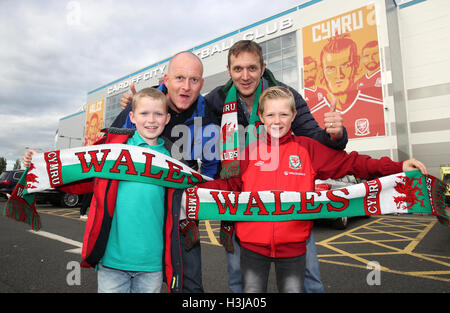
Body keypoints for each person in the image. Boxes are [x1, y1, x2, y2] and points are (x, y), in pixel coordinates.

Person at [118, 41, 347, 293]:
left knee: (309, 278)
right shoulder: (215, 101)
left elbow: (316, 139)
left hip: (289, 204)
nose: (245, 76)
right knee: (240, 279)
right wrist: (139, 102)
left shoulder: (285, 96)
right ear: (229, 70)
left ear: (263, 68)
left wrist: (335, 135)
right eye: (238, 69)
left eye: (252, 68)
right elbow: (177, 104)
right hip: (238, 202)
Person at [193, 86, 427, 292]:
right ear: (261, 117)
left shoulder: (308, 150)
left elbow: (352, 163)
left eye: (283, 114)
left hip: (294, 248)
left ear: (294, 116)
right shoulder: (250, 152)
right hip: (252, 247)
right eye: (271, 114)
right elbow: (229, 186)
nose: (277, 120)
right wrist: (194, 185)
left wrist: (397, 166)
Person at [23, 88, 181, 293]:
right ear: (132, 117)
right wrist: (39, 162)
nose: (151, 119)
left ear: (167, 118)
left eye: (158, 114)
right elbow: (76, 170)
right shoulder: (112, 150)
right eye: (144, 113)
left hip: (152, 264)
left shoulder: (173, 161)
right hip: (111, 260)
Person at [113, 51, 219, 292]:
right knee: (128, 279)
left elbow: (212, 171)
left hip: (180, 210)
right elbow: (108, 149)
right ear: (166, 79)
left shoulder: (208, 117)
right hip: (138, 211)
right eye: (179, 78)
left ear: (202, 83)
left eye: (194, 80)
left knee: (188, 283)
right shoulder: (141, 104)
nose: (186, 87)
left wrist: (197, 204)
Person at [311, 35, 385, 138]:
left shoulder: (376, 106)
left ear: (356, 65)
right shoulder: (312, 116)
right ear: (322, 71)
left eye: (346, 65)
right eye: (331, 68)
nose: (339, 74)